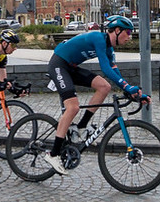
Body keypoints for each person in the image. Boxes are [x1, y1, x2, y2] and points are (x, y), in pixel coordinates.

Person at [45, 15, 147, 176]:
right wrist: (128, 86)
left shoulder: (109, 49)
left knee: (104, 86)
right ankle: (53, 154)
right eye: (128, 32)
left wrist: (129, 90)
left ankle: (80, 127)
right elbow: (105, 69)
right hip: (58, 65)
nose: (130, 37)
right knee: (73, 107)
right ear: (117, 31)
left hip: (70, 67)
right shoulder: (99, 38)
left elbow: (114, 71)